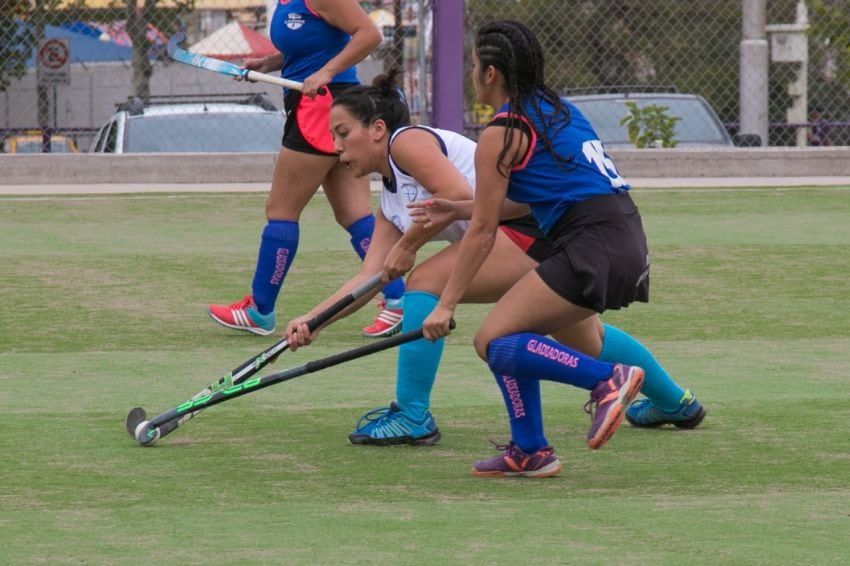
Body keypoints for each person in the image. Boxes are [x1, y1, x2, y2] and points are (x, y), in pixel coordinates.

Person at [421, 20, 705, 478]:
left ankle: (605, 380)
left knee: (491, 340)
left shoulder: (501, 131)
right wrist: (457, 206)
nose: (473, 73)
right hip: (622, 235)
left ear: (490, 74)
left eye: (475, 65)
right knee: (512, 337)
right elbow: (532, 199)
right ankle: (529, 450)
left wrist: (445, 302)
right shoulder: (558, 110)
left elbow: (483, 231)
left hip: (590, 242)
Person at [284, 70, 555, 446]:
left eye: (343, 134)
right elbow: (370, 277)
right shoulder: (390, 202)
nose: (336, 148)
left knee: (424, 282)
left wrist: (408, 245)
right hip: (515, 240)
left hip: (532, 230)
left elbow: (456, 192)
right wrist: (315, 320)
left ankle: (413, 415)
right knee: (589, 339)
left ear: (377, 129)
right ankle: (668, 402)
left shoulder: (405, 142)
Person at [206, 0, 406, 338]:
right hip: (329, 106)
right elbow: (314, 45)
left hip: (321, 108)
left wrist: (326, 72)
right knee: (354, 215)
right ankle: (400, 300)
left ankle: (259, 310)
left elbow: (368, 35)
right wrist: (272, 62)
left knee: (281, 210)